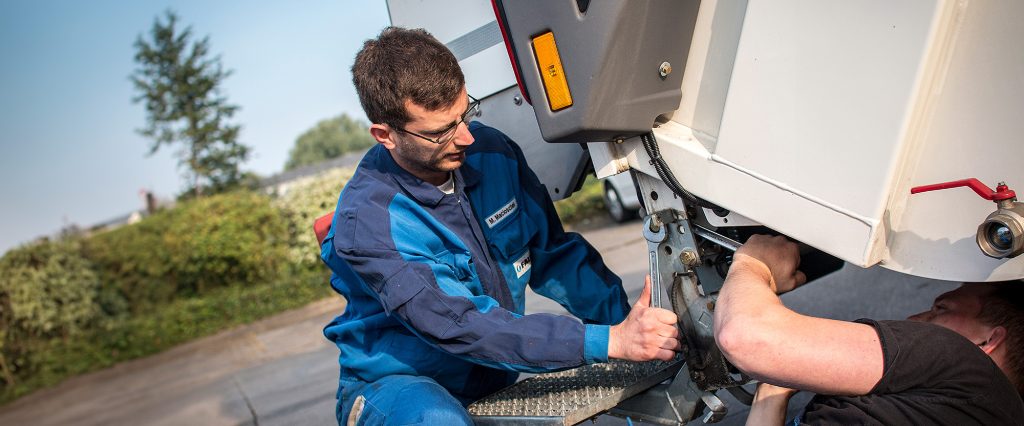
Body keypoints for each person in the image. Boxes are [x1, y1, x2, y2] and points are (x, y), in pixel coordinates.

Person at [319, 27, 681, 425]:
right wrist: (609, 342)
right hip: (398, 387)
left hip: (492, 370)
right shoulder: (370, 223)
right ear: (385, 135)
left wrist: (630, 328)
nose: (465, 137)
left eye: (465, 113)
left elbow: (556, 257)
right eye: (441, 131)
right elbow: (461, 325)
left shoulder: (491, 153)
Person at [715, 235, 1024, 425]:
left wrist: (754, 263)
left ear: (990, 340)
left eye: (940, 308)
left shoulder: (963, 363)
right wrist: (772, 394)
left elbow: (744, 337)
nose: (915, 318)